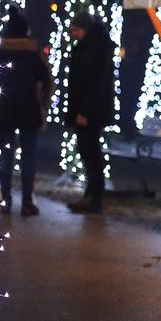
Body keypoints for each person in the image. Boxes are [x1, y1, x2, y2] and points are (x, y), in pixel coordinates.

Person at [0, 11, 51, 215]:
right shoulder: (32, 54)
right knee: (28, 157)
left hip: (4, 110)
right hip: (29, 110)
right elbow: (46, 80)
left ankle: (6, 200)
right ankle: (27, 200)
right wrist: (43, 105)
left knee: (5, 157)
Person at [66, 11, 115, 214]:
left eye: (75, 29)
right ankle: (92, 195)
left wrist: (85, 111)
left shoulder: (94, 49)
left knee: (90, 153)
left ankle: (94, 196)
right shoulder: (92, 47)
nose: (72, 33)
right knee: (89, 153)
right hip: (88, 110)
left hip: (90, 112)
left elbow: (96, 84)